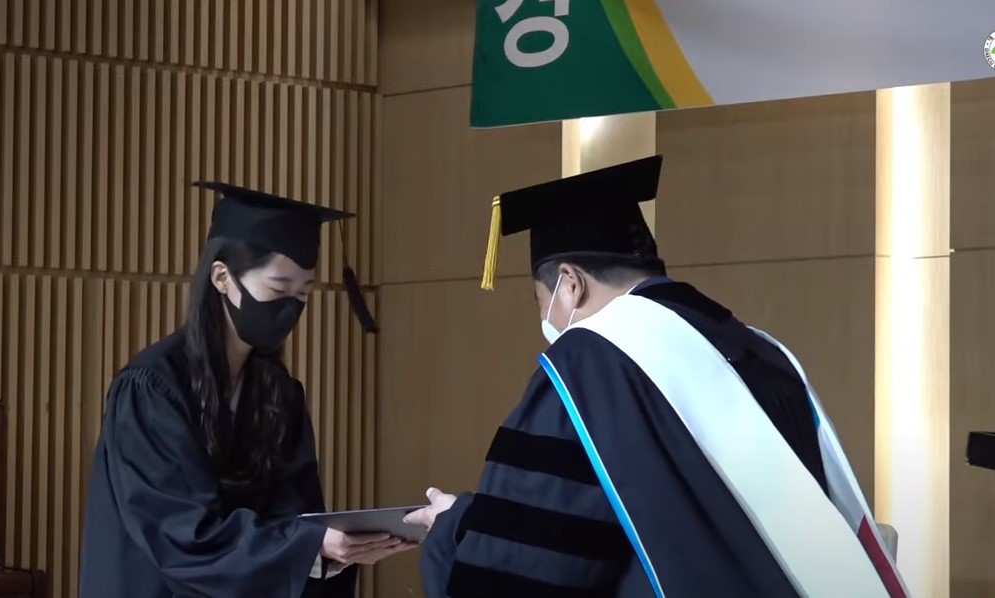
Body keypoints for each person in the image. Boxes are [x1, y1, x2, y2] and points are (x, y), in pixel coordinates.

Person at [403, 156, 910, 597]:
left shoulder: (591, 364)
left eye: (542, 301)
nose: (546, 318)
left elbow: (533, 564)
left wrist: (453, 527)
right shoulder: (758, 349)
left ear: (570, 284)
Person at [80, 182, 413, 598]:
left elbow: (296, 513)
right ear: (222, 278)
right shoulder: (151, 389)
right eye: (278, 289)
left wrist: (331, 548)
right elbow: (181, 533)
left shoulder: (280, 394)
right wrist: (306, 546)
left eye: (303, 292)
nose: (291, 306)